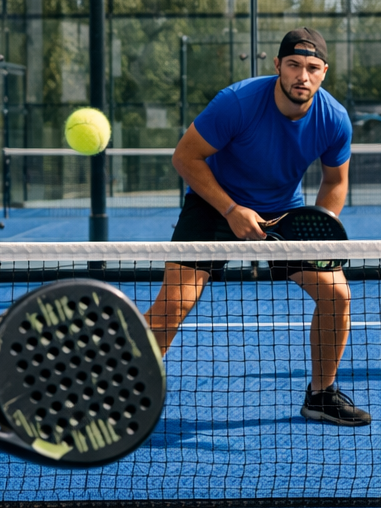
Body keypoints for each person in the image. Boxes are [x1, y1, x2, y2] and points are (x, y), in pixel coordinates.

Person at [146, 28, 368, 426]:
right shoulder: (238, 102)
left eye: (312, 68)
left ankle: (321, 395)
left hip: (284, 212)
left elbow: (335, 182)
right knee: (173, 306)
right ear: (278, 65)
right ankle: (116, 389)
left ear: (324, 72)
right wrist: (231, 209)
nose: (303, 75)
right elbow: (185, 157)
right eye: (295, 65)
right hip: (214, 206)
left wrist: (322, 229)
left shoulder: (334, 119)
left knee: (337, 296)